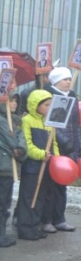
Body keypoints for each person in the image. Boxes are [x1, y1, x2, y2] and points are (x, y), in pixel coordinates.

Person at [15, 90, 60, 240]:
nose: (49, 107)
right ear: (36, 105)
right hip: (32, 167)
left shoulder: (49, 122)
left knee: (40, 197)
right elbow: (27, 144)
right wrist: (41, 154)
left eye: (50, 105)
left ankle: (35, 226)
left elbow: (53, 143)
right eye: (46, 105)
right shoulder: (27, 120)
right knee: (29, 197)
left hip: (46, 166)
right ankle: (25, 228)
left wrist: (57, 160)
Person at [43, 67, 81, 233]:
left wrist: (79, 144)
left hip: (70, 148)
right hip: (55, 146)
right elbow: (51, 123)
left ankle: (60, 218)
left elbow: (76, 123)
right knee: (49, 186)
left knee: (62, 185)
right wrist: (64, 142)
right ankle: (46, 220)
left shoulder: (72, 97)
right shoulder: (48, 96)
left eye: (69, 79)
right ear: (56, 81)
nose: (68, 81)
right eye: (64, 79)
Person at [0, 93, 27, 247]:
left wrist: (20, 151)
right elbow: (13, 144)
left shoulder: (15, 122)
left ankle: (2, 232)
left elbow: (22, 148)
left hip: (8, 167)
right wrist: (18, 148)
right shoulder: (2, 121)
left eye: (16, 101)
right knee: (2, 202)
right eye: (11, 100)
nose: (14, 104)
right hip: (2, 166)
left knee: (5, 201)